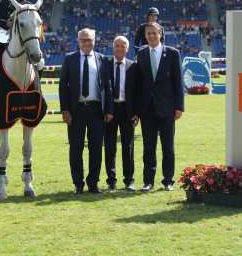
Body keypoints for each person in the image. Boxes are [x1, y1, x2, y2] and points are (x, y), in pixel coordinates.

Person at [59, 28, 113, 195]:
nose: (86, 43)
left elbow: (108, 87)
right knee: (76, 148)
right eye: (83, 40)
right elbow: (63, 86)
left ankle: (93, 183)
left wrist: (109, 110)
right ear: (78, 41)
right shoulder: (69, 59)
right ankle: (78, 184)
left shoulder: (102, 59)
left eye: (89, 39)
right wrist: (65, 110)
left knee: (96, 148)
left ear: (94, 40)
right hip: (76, 111)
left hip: (97, 110)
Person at [133, 22, 184, 192]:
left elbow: (178, 82)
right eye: (148, 33)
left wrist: (179, 107)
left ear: (161, 34)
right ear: (145, 35)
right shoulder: (140, 53)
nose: (152, 36)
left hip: (167, 108)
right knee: (149, 147)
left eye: (154, 33)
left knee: (168, 147)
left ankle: (168, 180)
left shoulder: (172, 53)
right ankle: (148, 181)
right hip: (147, 109)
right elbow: (138, 84)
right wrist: (136, 110)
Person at [104, 36, 136, 192]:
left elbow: (138, 92)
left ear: (127, 49)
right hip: (110, 111)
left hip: (127, 110)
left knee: (128, 147)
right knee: (110, 147)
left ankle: (129, 181)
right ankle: (111, 181)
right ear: (113, 47)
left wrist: (136, 113)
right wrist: (106, 110)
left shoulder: (133, 66)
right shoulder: (105, 65)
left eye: (123, 46)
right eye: (117, 45)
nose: (119, 48)